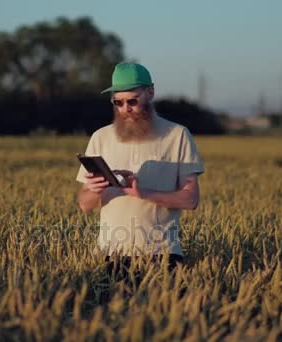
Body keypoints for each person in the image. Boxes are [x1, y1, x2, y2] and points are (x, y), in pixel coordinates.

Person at [75, 62, 205, 280]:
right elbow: (84, 204)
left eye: (132, 101)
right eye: (118, 102)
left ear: (150, 93)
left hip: (164, 254)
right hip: (112, 254)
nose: (126, 108)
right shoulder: (100, 137)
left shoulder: (178, 135)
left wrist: (143, 193)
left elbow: (190, 199)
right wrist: (94, 190)